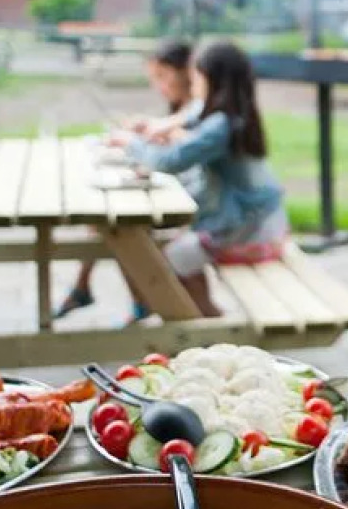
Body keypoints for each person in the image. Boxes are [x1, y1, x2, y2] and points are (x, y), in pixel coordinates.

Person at [122, 41, 287, 317]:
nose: (193, 83)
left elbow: (169, 162)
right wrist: (165, 125)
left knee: (169, 258)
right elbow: (194, 114)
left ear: (211, 80)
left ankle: (207, 323)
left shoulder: (220, 125)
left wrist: (132, 143)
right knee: (170, 251)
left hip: (250, 233)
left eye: (196, 76)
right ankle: (201, 319)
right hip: (261, 222)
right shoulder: (234, 115)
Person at [56, 40, 197, 320]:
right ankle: (119, 296)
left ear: (186, 73)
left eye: (162, 76)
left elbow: (185, 150)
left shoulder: (199, 108)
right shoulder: (184, 108)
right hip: (172, 192)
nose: (159, 85)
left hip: (189, 201)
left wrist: (141, 140)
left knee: (116, 224)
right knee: (106, 221)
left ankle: (128, 298)